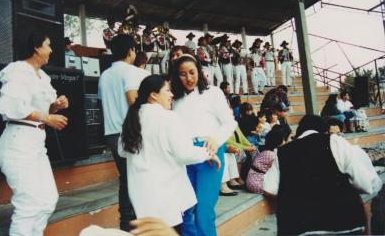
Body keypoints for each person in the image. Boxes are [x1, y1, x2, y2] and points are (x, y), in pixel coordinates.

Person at [119, 75, 220, 234]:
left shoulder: (132, 118)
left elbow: (122, 151)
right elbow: (184, 153)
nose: (172, 94)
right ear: (153, 95)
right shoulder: (168, 118)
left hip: (142, 197)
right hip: (168, 198)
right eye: (167, 90)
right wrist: (208, 153)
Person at [0, 32, 69, 236]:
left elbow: (40, 110)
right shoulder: (18, 71)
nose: (51, 50)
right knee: (29, 204)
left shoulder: (42, 76)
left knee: (47, 200)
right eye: (48, 45)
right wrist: (46, 118)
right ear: (37, 48)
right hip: (18, 142)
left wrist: (55, 106)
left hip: (36, 143)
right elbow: (11, 106)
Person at [264, 115, 382, 235]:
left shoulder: (282, 152)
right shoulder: (335, 141)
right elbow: (366, 184)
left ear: (299, 133)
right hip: (343, 225)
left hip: (299, 228)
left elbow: (270, 189)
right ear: (324, 130)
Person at [171, 55, 237, 236]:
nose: (189, 78)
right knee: (184, 210)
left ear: (199, 72)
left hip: (209, 153)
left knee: (203, 212)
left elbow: (230, 123)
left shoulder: (213, 92)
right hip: (184, 155)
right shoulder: (174, 98)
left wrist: (216, 139)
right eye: (182, 74)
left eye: (192, 72)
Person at [98, 34, 146, 231]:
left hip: (111, 134)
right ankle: (134, 225)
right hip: (131, 133)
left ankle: (127, 224)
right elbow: (134, 103)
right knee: (137, 180)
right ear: (130, 51)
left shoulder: (104, 75)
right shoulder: (132, 72)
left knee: (126, 179)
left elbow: (102, 106)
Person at [246, 126, 286, 194]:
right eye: (283, 140)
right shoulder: (271, 155)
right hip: (257, 183)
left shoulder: (267, 151)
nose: (284, 141)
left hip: (253, 181)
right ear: (278, 141)